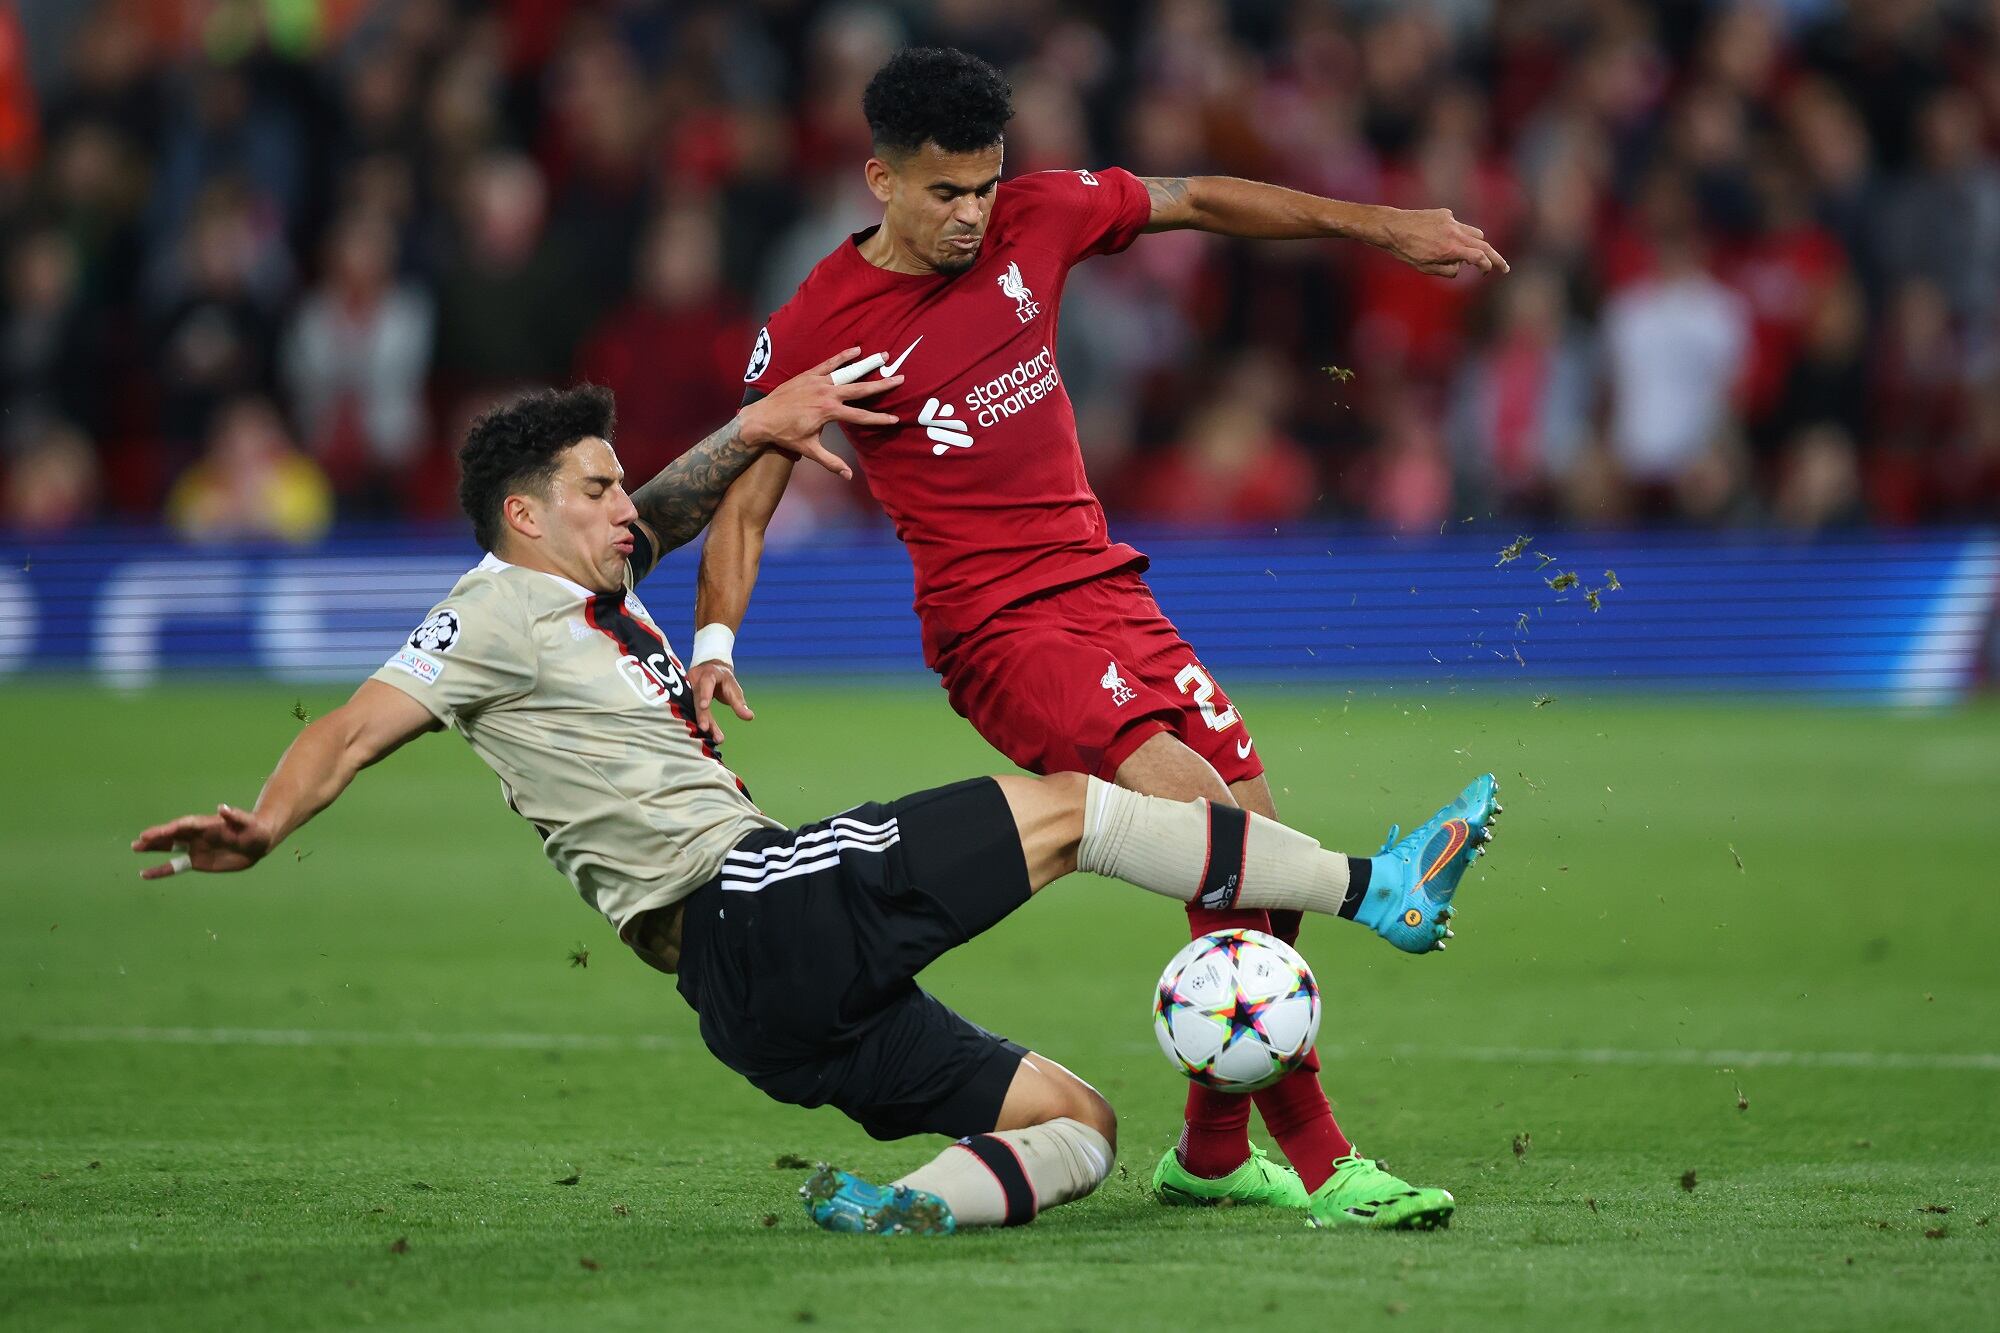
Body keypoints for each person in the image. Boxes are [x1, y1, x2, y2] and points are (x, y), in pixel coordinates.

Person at [130, 381, 1501, 1237]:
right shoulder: (487, 610)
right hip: (749, 898)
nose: (627, 507)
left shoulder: (581, 589)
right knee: (1076, 807)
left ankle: (901, 1209)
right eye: (596, 488)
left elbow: (675, 501)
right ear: (521, 513)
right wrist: (262, 822)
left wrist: (761, 426)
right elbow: (362, 726)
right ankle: (1379, 882)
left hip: (749, 1005)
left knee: (1077, 1126)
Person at [698, 46, 1509, 1225]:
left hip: (1107, 588)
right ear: (877, 178)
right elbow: (749, 496)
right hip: (998, 628)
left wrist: (1380, 224)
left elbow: (1193, 199)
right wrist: (716, 636)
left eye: (984, 186)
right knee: (1211, 829)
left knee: (1259, 856)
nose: (972, 215)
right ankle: (1331, 1164)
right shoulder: (820, 320)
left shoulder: (1040, 215)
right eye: (942, 193)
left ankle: (1213, 1155)